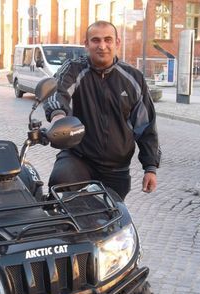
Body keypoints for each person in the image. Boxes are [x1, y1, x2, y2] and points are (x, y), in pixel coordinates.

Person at [44, 21, 161, 200]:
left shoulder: (133, 78)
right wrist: (58, 117)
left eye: (108, 40)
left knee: (112, 214)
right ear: (86, 44)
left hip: (116, 168)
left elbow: (146, 125)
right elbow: (57, 92)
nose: (102, 46)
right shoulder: (74, 69)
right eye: (95, 40)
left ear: (117, 43)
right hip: (79, 158)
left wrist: (150, 167)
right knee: (60, 184)